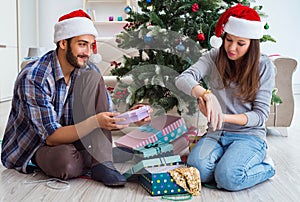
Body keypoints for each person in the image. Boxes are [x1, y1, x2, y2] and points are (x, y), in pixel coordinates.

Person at [1, 9, 150, 187]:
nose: (87, 52)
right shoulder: (35, 77)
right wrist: (96, 122)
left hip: (73, 134)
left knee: (93, 77)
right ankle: (99, 155)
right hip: (37, 146)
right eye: (82, 44)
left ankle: (102, 162)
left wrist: (132, 116)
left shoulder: (88, 71)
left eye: (90, 45)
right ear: (63, 43)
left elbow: (105, 114)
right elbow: (51, 137)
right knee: (67, 164)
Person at [175, 4, 276, 191]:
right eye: (229, 40)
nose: (232, 48)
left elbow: (260, 116)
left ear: (252, 43)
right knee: (197, 171)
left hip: (249, 136)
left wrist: (220, 116)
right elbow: (183, 79)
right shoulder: (214, 56)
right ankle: (227, 161)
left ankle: (266, 167)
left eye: (241, 43)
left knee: (229, 178)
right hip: (216, 133)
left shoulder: (264, 66)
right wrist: (206, 94)